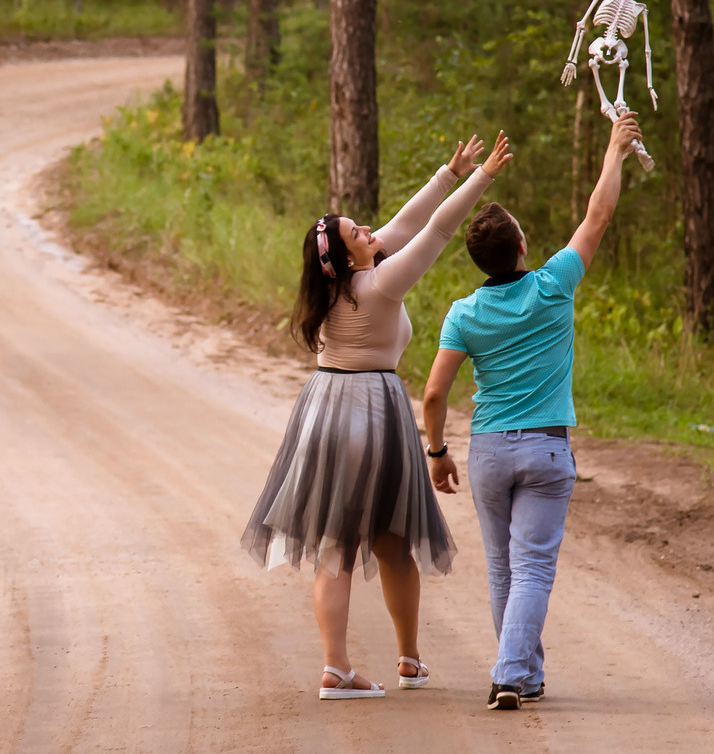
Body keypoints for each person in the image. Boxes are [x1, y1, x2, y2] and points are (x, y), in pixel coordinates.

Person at [244, 130, 513, 700]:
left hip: (323, 405)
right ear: (348, 255)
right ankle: (391, 661)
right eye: (357, 233)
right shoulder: (381, 281)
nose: (370, 231)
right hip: (371, 410)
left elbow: (405, 223)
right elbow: (436, 230)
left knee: (338, 545)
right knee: (391, 538)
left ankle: (348, 665)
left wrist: (449, 171)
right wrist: (482, 177)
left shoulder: (341, 282)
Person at [422, 111, 640, 710]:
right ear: (522, 247)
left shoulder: (462, 314)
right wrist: (614, 152)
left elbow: (435, 394)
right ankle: (512, 674)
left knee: (504, 569)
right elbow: (598, 216)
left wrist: (437, 452)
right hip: (545, 448)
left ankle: (523, 673)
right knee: (535, 568)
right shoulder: (552, 285)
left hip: (489, 450)